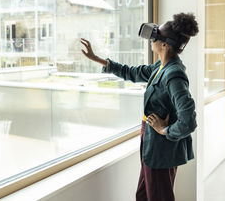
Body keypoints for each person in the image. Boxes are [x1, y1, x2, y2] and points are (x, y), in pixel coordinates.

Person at [80, 12, 199, 201]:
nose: (151, 40)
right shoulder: (161, 66)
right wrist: (97, 59)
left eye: (155, 36)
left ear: (164, 44)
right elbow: (131, 72)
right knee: (143, 195)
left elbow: (188, 121)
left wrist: (165, 130)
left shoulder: (173, 74)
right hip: (150, 142)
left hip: (161, 148)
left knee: (159, 197)